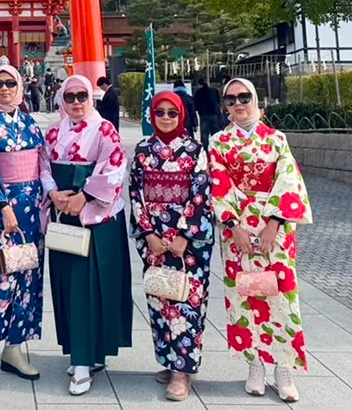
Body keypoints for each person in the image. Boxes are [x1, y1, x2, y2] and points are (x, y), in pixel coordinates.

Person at [210, 78, 312, 403]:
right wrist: (233, 225)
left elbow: (288, 180)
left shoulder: (276, 139)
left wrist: (274, 223)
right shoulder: (219, 142)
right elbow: (218, 183)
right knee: (245, 295)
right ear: (225, 106)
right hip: (237, 232)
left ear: (256, 100)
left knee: (281, 295)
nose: (238, 104)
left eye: (244, 97)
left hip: (274, 230)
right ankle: (255, 365)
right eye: (230, 99)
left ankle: (284, 368)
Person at [44, 76, 133, 396]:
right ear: (61, 99)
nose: (77, 102)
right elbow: (43, 167)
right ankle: (81, 351)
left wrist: (84, 196)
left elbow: (115, 169)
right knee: (69, 287)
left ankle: (85, 360)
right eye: (70, 97)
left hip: (96, 217)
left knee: (90, 287)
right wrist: (52, 192)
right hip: (64, 213)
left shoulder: (105, 129)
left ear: (91, 97)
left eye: (82, 95)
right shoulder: (54, 132)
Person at [0, 66, 57, 390]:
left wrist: (49, 196)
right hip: (5, 212)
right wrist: (3, 207)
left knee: (30, 277)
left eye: (10, 83)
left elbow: (43, 161)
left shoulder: (29, 122)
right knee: (5, 275)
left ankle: (14, 347)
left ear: (19, 86)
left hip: (33, 209)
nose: (5, 88)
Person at [129, 91, 214, 401]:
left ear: (182, 116)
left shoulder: (195, 150)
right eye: (160, 112)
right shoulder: (143, 149)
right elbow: (135, 193)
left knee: (187, 302)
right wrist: (149, 234)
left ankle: (183, 370)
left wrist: (184, 235)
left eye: (172, 113)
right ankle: (169, 359)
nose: (165, 118)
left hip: (187, 240)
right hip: (154, 237)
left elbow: (201, 193)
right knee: (160, 297)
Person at [194, 78, 222, 149]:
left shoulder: (198, 92)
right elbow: (218, 101)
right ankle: (216, 149)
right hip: (214, 114)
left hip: (204, 115)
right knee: (215, 134)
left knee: (204, 135)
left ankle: (205, 150)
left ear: (199, 84)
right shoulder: (214, 90)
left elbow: (195, 105)